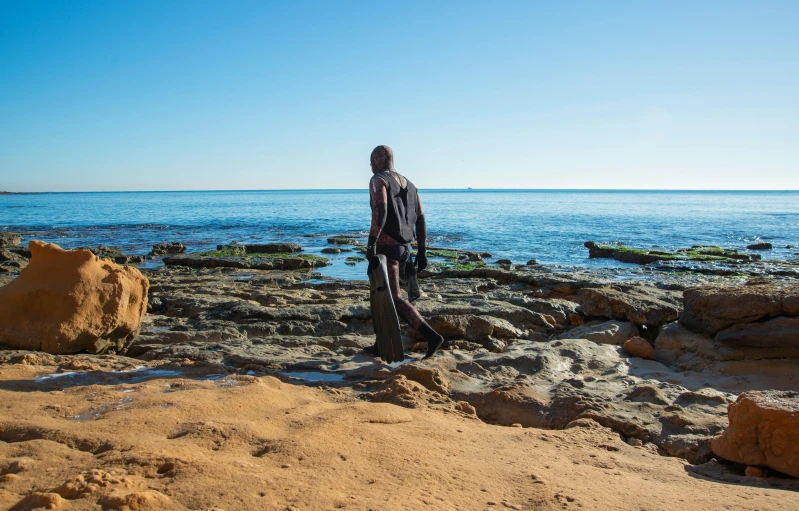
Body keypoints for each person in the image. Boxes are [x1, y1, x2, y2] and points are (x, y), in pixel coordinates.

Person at [365, 145, 444, 360]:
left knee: (393, 297)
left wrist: (371, 244)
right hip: (405, 249)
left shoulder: (377, 180)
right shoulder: (410, 184)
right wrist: (422, 252)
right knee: (382, 296)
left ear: (378, 160)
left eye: (371, 161)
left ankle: (431, 336)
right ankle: (380, 344)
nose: (369, 165)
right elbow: (421, 219)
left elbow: (380, 211)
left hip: (385, 250)